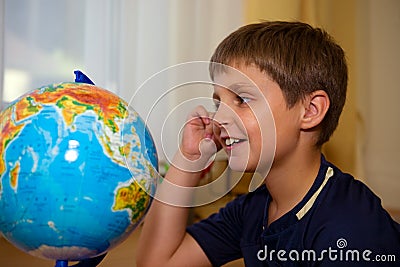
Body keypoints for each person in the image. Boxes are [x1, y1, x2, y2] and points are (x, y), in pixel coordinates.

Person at [136, 21, 400, 266]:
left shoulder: (350, 228)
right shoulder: (253, 209)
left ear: (310, 111)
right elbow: (157, 262)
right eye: (218, 103)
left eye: (242, 99)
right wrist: (188, 158)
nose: (219, 117)